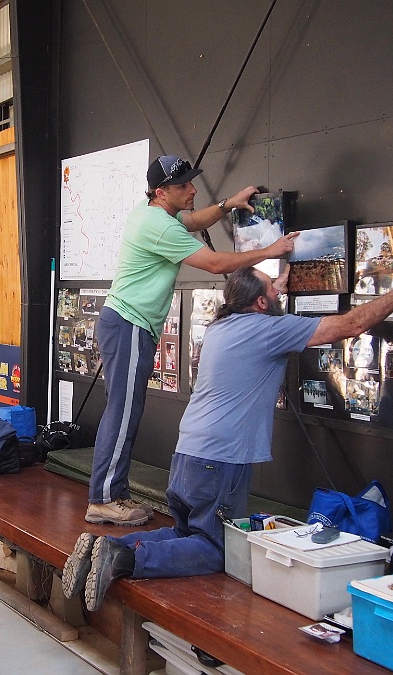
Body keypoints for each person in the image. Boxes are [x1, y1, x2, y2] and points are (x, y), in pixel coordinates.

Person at [65, 264, 393, 611]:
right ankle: (123, 558)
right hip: (222, 460)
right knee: (216, 547)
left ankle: (102, 546)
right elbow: (351, 324)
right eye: (272, 289)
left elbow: (264, 303)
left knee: (186, 533)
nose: (278, 292)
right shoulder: (269, 330)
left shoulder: (220, 328)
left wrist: (277, 283)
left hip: (188, 452)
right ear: (261, 302)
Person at [88, 155, 299, 526]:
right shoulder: (158, 226)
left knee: (125, 411)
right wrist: (270, 251)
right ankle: (104, 499)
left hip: (127, 325)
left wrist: (227, 204)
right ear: (161, 191)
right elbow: (215, 264)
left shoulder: (156, 213)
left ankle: (111, 492)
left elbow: (195, 220)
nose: (192, 189)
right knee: (123, 414)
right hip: (129, 325)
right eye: (183, 185)